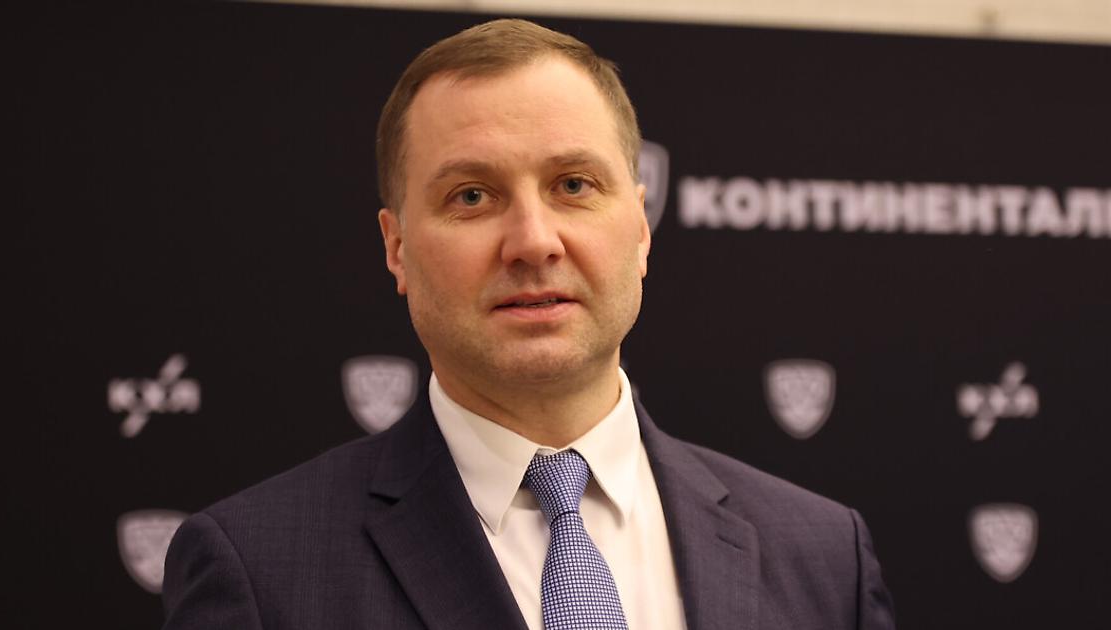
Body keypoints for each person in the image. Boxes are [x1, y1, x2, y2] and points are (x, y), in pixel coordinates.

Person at [162, 18, 896, 630]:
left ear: (641, 226)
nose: (534, 242)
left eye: (574, 185)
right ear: (397, 247)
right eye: (472, 196)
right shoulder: (258, 572)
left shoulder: (824, 556)